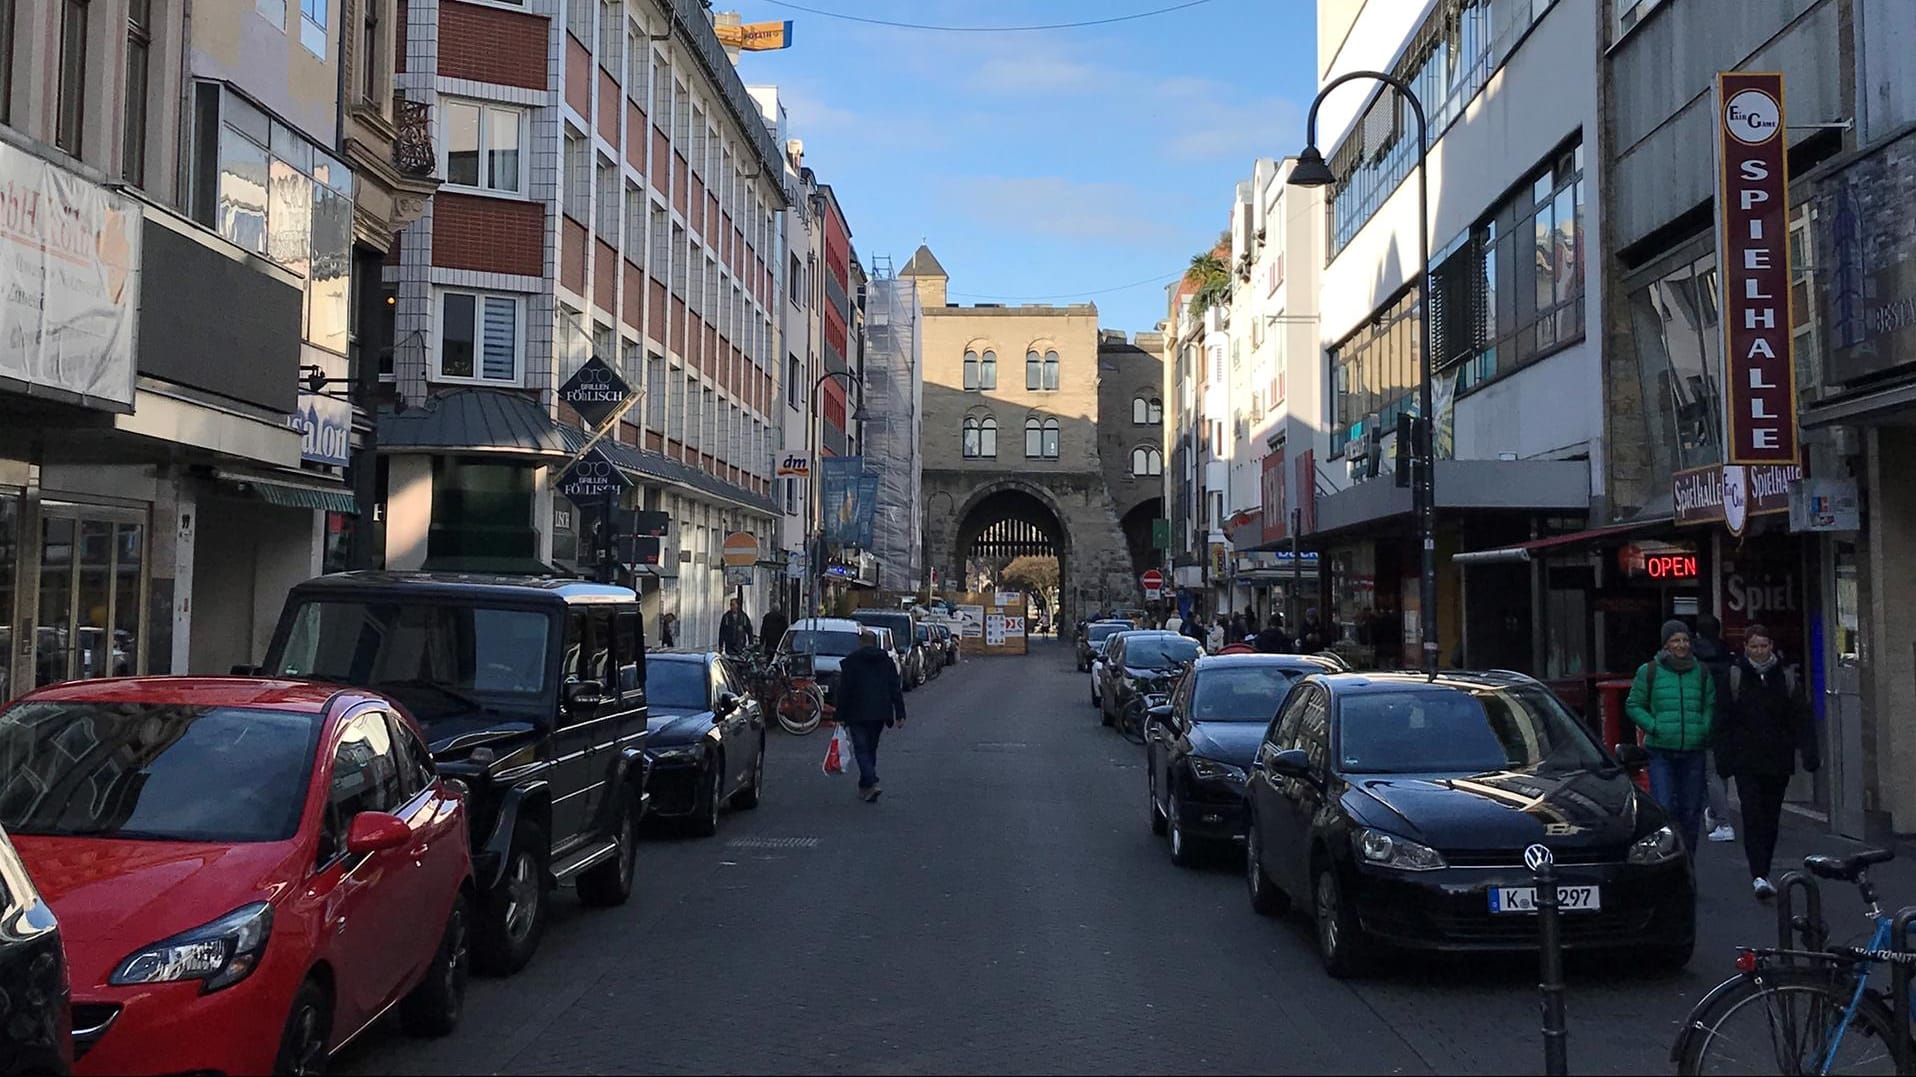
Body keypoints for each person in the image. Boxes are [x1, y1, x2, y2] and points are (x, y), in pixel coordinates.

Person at [1714, 624, 1818, 899]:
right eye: (1754, 646)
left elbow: (1801, 716)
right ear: (1745, 647)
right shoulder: (1734, 676)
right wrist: (1723, 758)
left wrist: (1809, 752)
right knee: (1752, 814)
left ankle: (1764, 869)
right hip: (1745, 759)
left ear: (1771, 646)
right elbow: (1723, 719)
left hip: (1777, 758)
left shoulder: (1784, 677)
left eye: (1764, 646)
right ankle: (1758, 874)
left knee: (1770, 817)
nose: (1760, 651)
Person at [1624, 619, 1717, 857]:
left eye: (1685, 640)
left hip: (1693, 751)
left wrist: (1703, 728)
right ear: (1666, 644)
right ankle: (1665, 857)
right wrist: (1654, 727)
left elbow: (1710, 704)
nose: (1682, 645)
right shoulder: (1649, 671)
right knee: (1664, 807)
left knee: (1691, 811)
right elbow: (1634, 705)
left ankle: (1687, 860)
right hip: (1661, 751)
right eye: (1676, 640)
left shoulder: (1702, 672)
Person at [835, 629, 907, 802]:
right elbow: (894, 687)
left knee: (861, 748)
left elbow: (844, 690)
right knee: (870, 748)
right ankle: (865, 786)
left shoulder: (851, 662)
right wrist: (900, 712)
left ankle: (872, 781)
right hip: (880, 711)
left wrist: (840, 714)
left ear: (860, 642)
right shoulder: (885, 661)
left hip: (857, 711)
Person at [1691, 613, 1737, 843]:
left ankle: (1722, 820)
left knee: (1710, 774)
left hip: (1702, 718)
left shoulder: (1693, 659)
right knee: (1720, 770)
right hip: (1726, 719)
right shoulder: (1728, 655)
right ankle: (1715, 813)